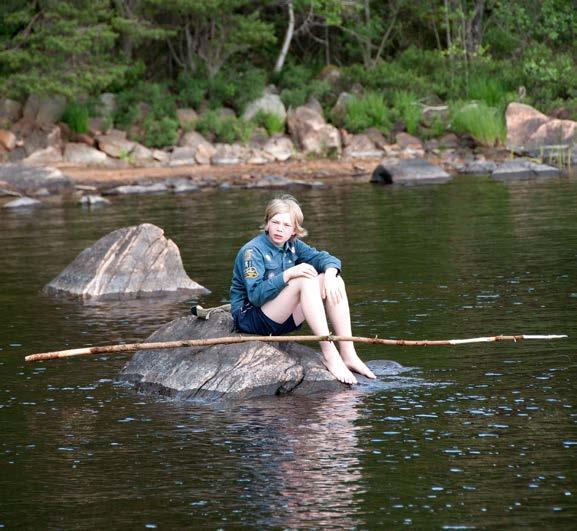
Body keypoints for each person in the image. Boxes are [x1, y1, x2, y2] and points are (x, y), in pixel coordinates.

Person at [230, 194, 376, 385]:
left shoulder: (293, 245)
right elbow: (256, 296)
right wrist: (288, 274)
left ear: (294, 231)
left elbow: (326, 259)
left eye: (286, 225)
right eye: (275, 222)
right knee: (304, 280)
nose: (280, 229)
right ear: (267, 223)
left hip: (281, 320)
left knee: (333, 279)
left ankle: (348, 353)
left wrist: (331, 275)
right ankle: (330, 354)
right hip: (251, 319)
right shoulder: (252, 251)